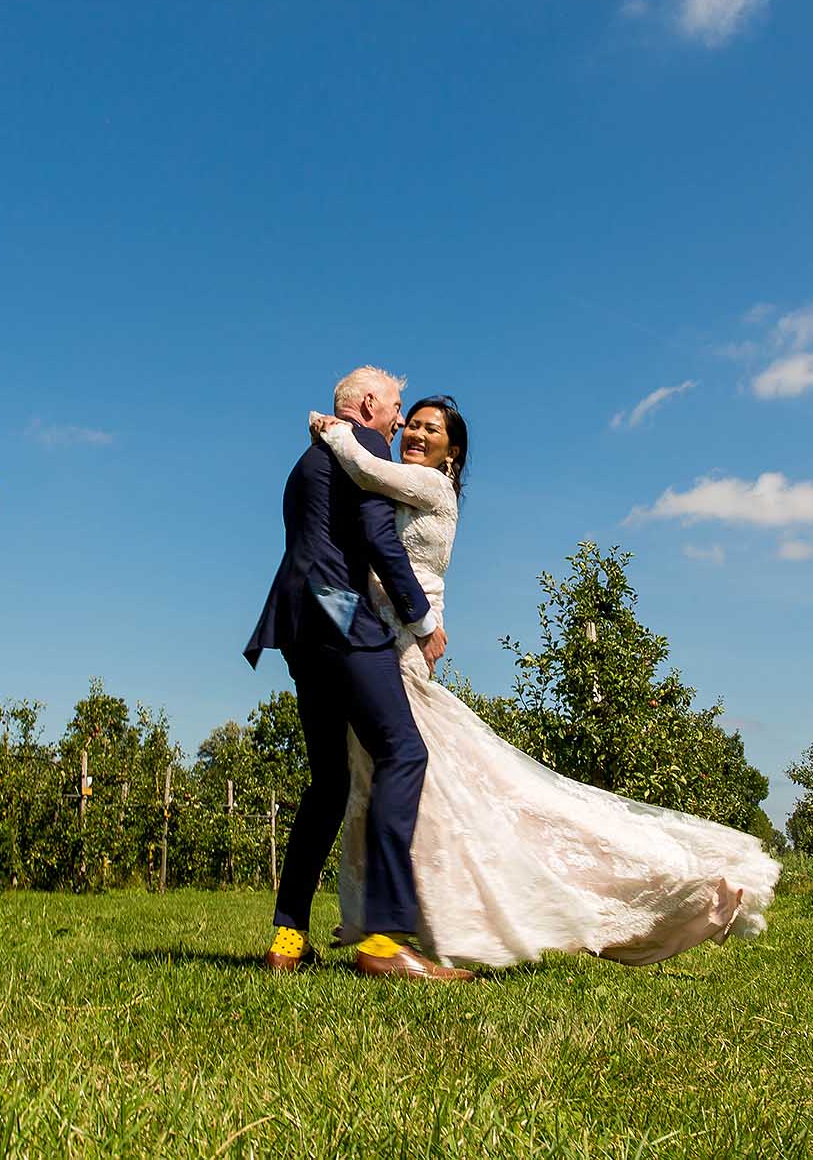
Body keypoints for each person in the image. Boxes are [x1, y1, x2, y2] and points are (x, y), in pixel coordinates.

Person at [312, 395, 780, 968]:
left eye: (430, 429)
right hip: (377, 643)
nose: (415, 433)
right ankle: (403, 928)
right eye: (411, 423)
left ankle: (403, 932)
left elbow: (366, 473)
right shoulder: (399, 488)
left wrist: (336, 432)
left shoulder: (429, 487)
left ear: (451, 453)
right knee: (423, 791)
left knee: (453, 788)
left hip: (401, 644)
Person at [242, 366, 470, 981]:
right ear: (369, 404)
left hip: (291, 621)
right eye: (398, 409)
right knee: (403, 754)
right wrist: (422, 620)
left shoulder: (305, 461)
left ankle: (287, 935)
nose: (400, 423)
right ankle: (385, 938)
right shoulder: (362, 448)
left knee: (330, 781)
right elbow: (377, 537)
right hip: (340, 613)